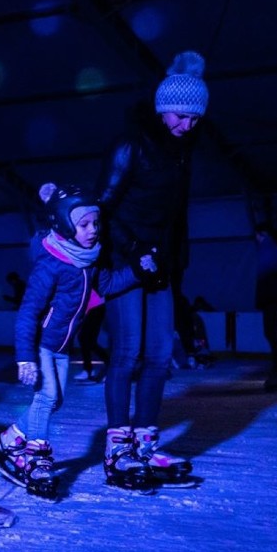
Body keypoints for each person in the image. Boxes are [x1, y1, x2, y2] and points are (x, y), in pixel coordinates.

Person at [0, 182, 157, 498]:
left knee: (54, 400)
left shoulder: (89, 259)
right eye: (84, 225)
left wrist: (138, 271)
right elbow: (27, 312)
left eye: (96, 223)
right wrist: (25, 356)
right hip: (41, 344)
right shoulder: (50, 265)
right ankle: (35, 458)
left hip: (62, 347)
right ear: (65, 225)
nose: (93, 230)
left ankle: (9, 441)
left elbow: (105, 285)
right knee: (48, 396)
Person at [94, 50, 208, 484]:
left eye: (195, 119)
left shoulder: (182, 153)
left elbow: (174, 213)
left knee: (160, 355)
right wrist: (134, 250)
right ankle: (117, 449)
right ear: (162, 109)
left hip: (161, 264)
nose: (187, 126)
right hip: (126, 261)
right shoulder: (131, 144)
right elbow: (104, 206)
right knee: (127, 353)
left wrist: (176, 257)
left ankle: (145, 443)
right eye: (181, 117)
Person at [254, 223, 277, 390]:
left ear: (263, 234)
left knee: (272, 333)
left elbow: (270, 276)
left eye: (258, 235)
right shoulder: (276, 249)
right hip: (276, 298)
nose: (256, 239)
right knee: (272, 334)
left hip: (274, 298)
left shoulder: (269, 248)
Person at [73, 305, 109, 382]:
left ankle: (89, 370)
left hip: (98, 304)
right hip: (94, 305)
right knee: (87, 339)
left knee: (86, 338)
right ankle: (88, 370)